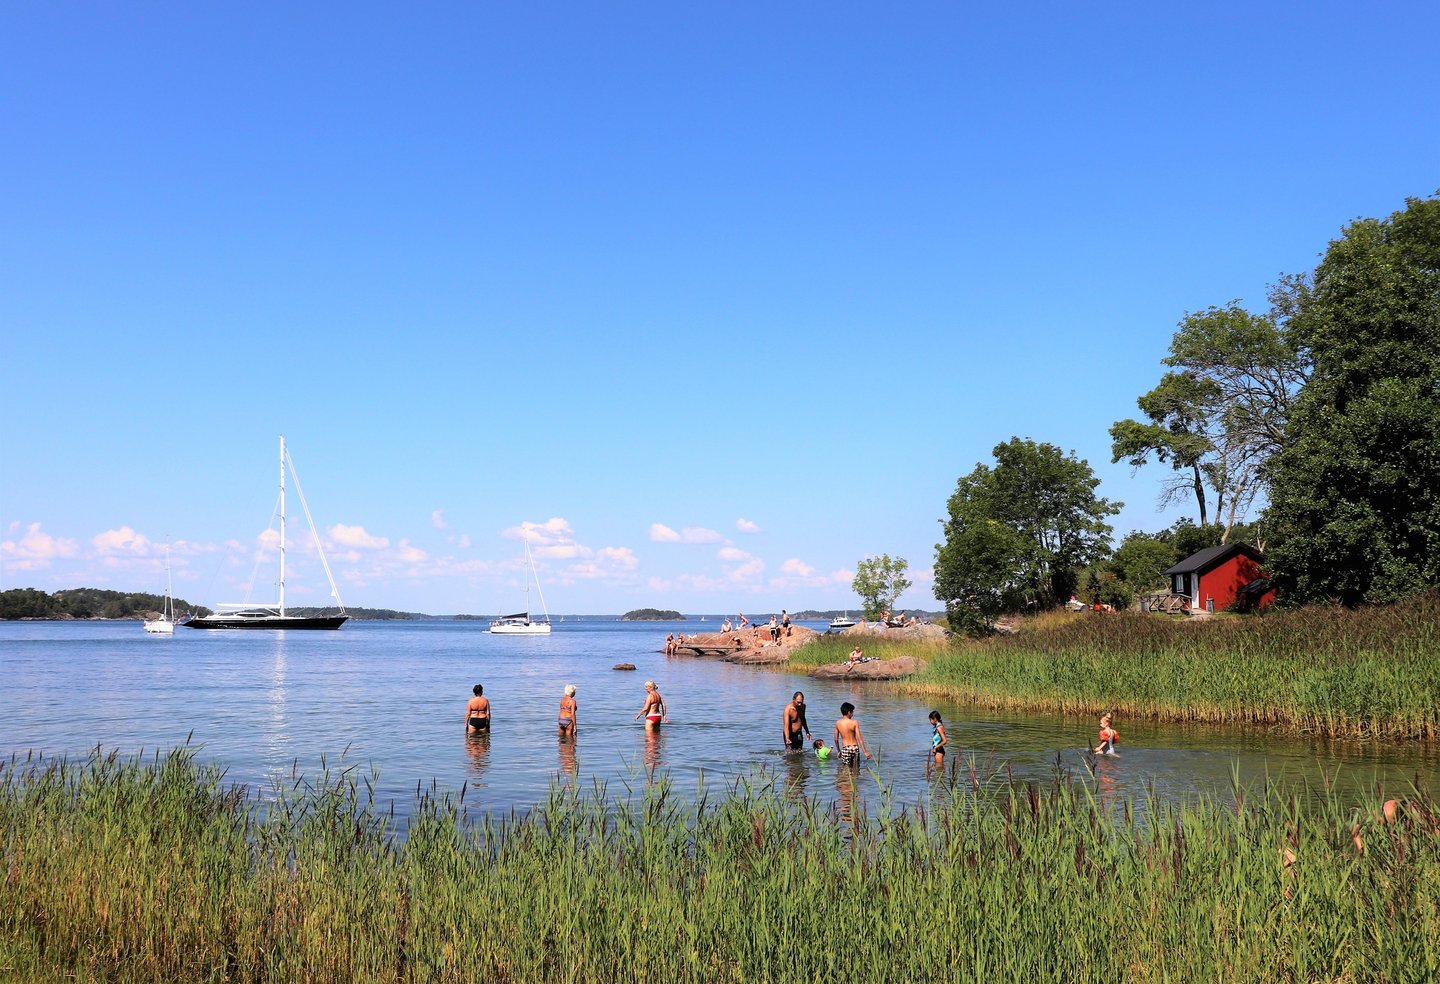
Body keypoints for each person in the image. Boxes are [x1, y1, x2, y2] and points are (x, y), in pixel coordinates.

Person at [834, 702, 871, 767]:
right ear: (849, 712)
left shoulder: (838, 723)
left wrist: (838, 751)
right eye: (852, 712)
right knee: (856, 768)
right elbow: (859, 738)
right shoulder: (854, 722)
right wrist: (865, 751)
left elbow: (836, 739)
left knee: (845, 769)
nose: (853, 714)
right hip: (854, 748)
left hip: (845, 748)